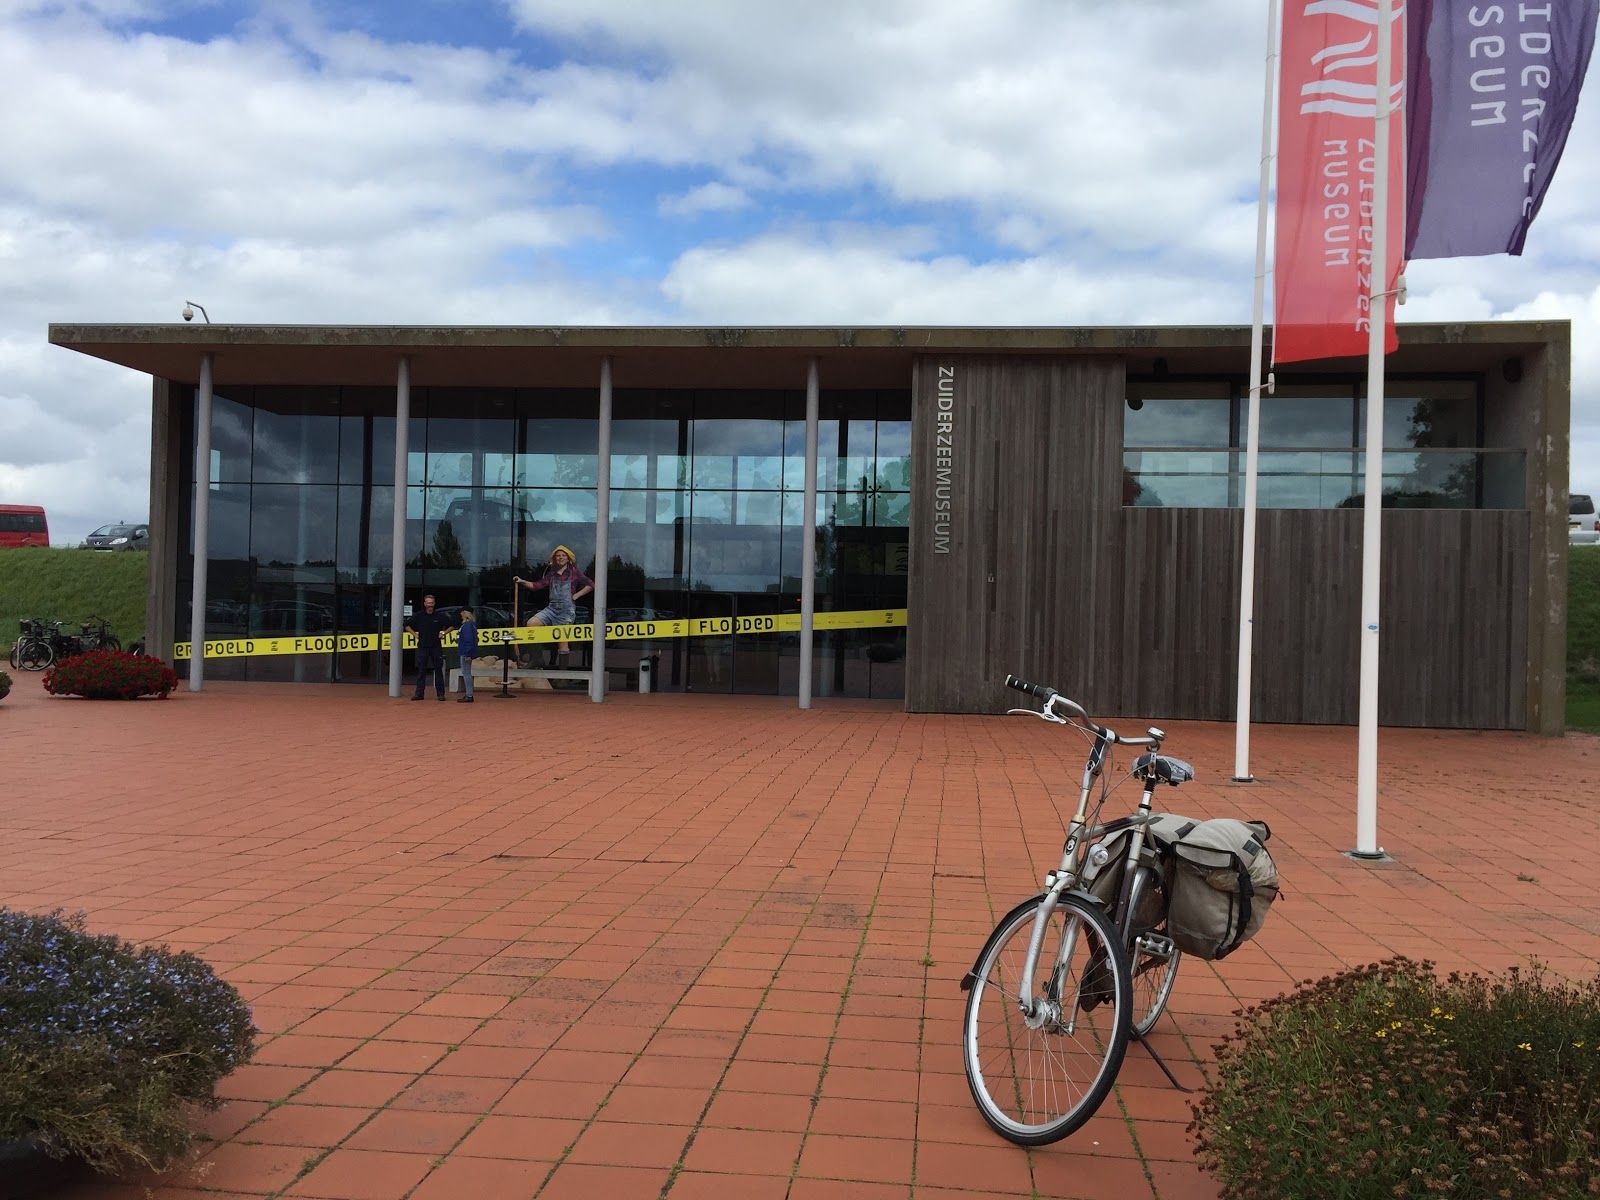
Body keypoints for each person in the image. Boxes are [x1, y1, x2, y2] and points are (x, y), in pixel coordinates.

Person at [514, 544, 593, 665]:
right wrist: (522, 581)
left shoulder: (574, 573)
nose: (560, 558)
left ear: (568, 558)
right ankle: (537, 659)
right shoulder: (551, 574)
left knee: (562, 641)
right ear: (555, 559)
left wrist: (576, 595)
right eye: (558, 556)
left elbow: (591, 584)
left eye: (563, 555)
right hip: (551, 609)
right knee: (531, 624)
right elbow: (536, 586)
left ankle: (562, 677)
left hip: (566, 612)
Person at [405, 593, 450, 701]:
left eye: (431, 603)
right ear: (425, 604)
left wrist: (443, 633)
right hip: (423, 647)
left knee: (438, 670)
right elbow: (406, 625)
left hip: (436, 647)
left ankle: (440, 694)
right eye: (428, 603)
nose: (430, 605)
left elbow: (451, 625)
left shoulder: (440, 616)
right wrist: (415, 634)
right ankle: (419, 694)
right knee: (421, 671)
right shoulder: (419, 615)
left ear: (434, 604)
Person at [456, 607, 479, 703]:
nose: (460, 615)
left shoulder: (467, 625)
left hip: (465, 652)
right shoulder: (471, 625)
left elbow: (468, 640)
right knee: (467, 673)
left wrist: (468, 654)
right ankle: (469, 694)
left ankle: (469, 694)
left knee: (466, 673)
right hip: (466, 651)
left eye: (462, 613)